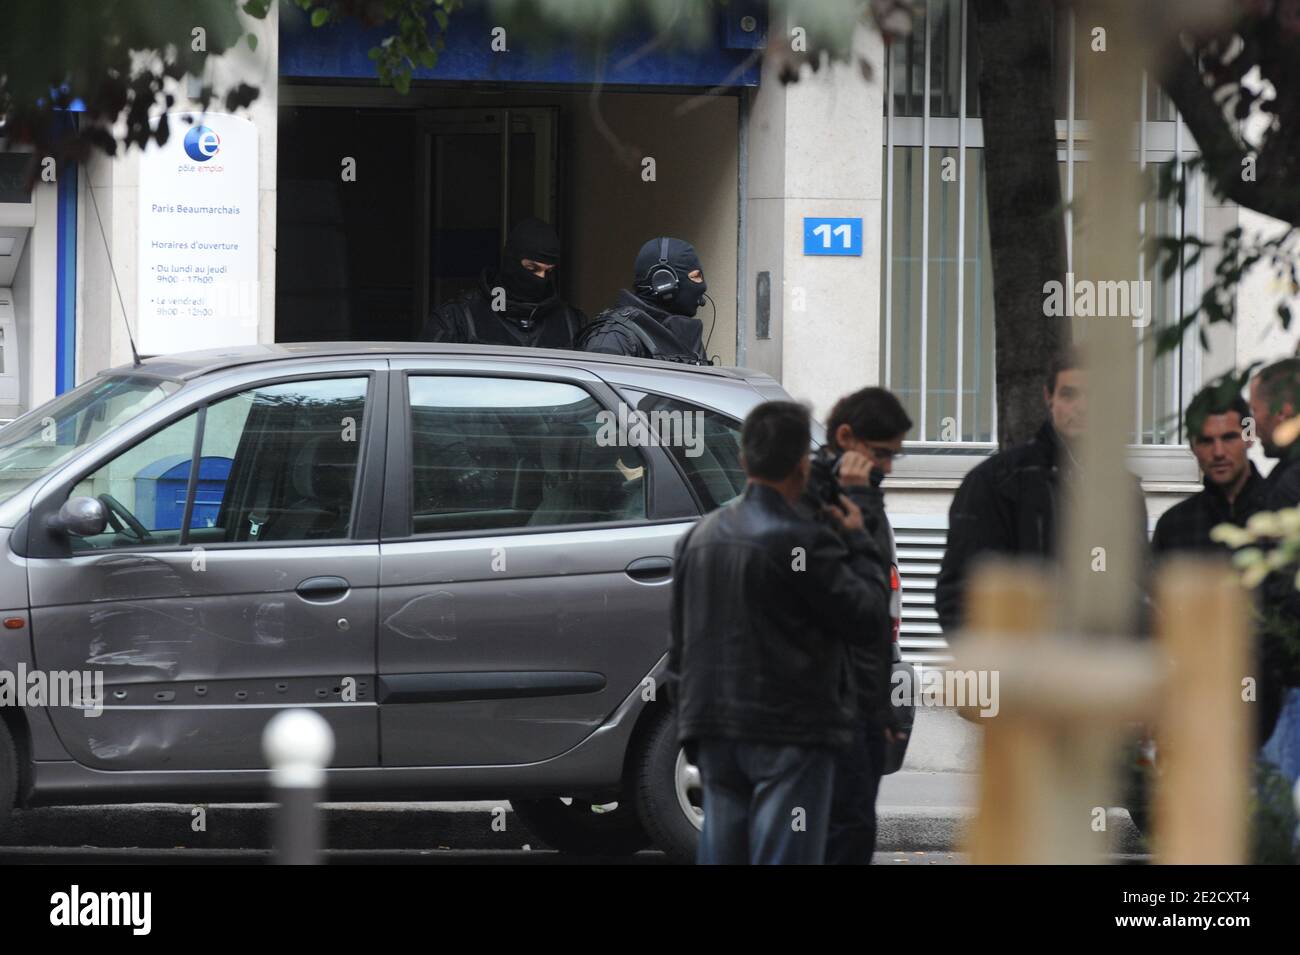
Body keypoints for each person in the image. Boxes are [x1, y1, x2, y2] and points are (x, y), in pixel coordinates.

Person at [667, 401, 891, 864]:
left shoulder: (697, 537)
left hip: (715, 727)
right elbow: (867, 618)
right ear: (802, 466)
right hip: (789, 729)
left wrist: (692, 726)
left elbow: (681, 647)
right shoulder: (804, 538)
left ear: (744, 460)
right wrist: (859, 535)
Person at [809, 387, 913, 865]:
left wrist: (884, 713)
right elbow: (862, 604)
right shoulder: (819, 495)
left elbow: (878, 622)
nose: (888, 466)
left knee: (855, 824)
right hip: (829, 700)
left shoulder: (862, 491)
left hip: (858, 698)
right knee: (840, 829)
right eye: (881, 453)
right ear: (846, 437)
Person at [1248, 359, 1300, 781]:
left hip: (1292, 685)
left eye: (1256, 412)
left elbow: (1280, 595)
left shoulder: (1287, 487)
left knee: (1282, 825)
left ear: (1281, 412)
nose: (1254, 426)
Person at [420, 218, 584, 348]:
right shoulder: (458, 320)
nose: (541, 279)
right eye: (532, 268)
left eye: (548, 271)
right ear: (510, 262)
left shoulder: (571, 324)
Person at [1151, 389, 1267, 555]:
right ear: (1192, 446)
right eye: (1206, 441)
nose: (1218, 452)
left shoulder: (1282, 512)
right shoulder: (1174, 526)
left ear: (1249, 437)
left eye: (1228, 438)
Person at [577, 237, 711, 363]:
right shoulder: (614, 338)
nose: (702, 286)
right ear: (664, 282)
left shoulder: (683, 335)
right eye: (695, 277)